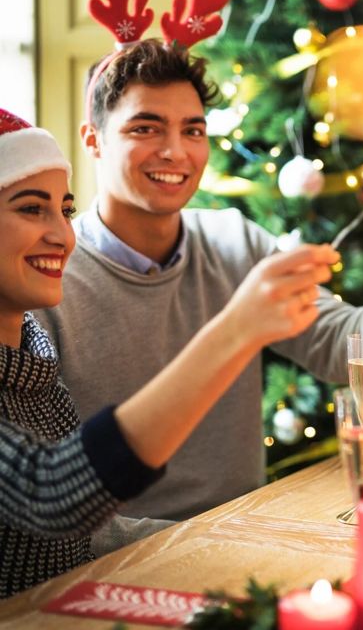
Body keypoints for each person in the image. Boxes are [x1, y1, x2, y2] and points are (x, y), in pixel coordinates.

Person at [34, 40, 363, 551]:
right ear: (93, 140)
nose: (176, 151)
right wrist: (208, 544)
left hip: (244, 540)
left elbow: (345, 352)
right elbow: (50, 503)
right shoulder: (46, 277)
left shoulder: (234, 242)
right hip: (125, 562)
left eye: (193, 130)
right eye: (145, 128)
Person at [0, 107, 338, 597]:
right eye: (32, 208)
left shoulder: (34, 359)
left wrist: (239, 545)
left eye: (65, 210)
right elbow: (51, 494)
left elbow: (79, 536)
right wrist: (235, 332)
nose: (61, 234)